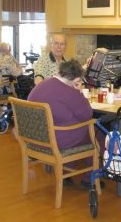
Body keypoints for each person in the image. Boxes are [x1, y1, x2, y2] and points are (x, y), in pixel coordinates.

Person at [27, 59, 103, 189]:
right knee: (97, 132)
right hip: (55, 142)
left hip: (33, 139)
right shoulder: (69, 91)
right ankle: (90, 179)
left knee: (76, 129)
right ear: (75, 79)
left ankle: (67, 173)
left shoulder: (42, 85)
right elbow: (87, 114)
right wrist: (79, 91)